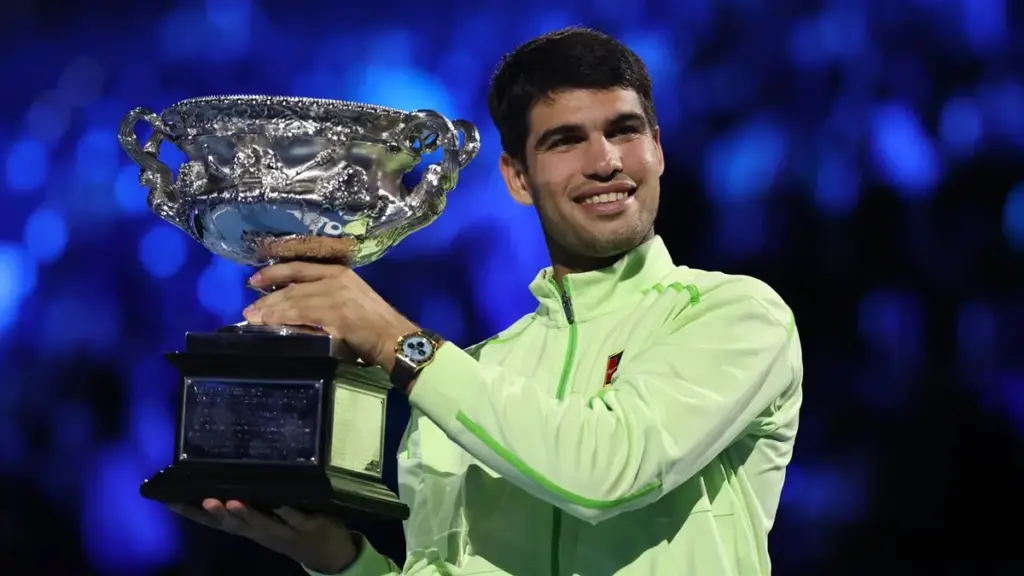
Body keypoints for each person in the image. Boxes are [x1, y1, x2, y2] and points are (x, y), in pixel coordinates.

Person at [170, 26, 803, 575]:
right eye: (566, 141)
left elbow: (607, 470)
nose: (606, 161)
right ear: (517, 178)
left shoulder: (734, 315)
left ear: (657, 149)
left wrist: (394, 340)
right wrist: (339, 559)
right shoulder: (470, 375)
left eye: (624, 131)